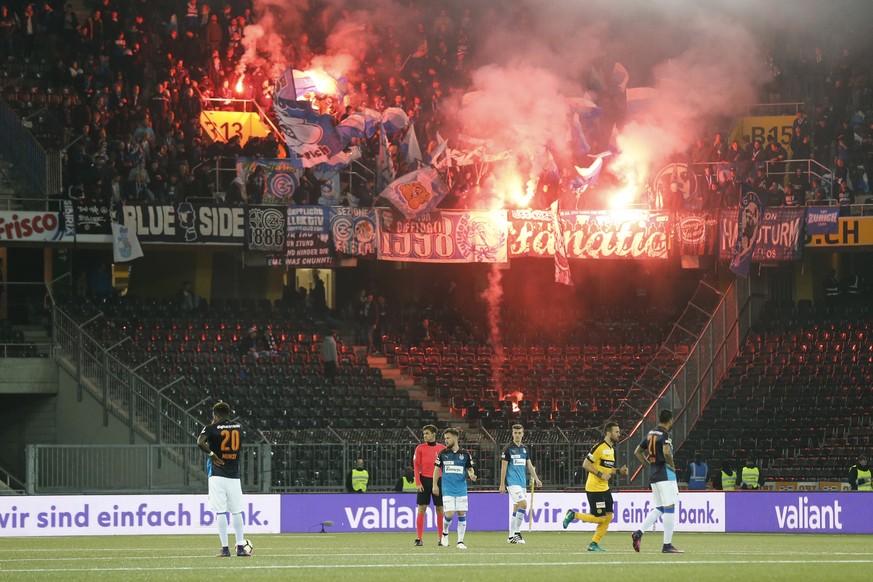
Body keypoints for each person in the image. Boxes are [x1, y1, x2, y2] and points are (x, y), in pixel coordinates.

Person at [196, 401, 251, 557]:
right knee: (237, 512)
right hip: (234, 474)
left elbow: (200, 442)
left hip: (217, 474)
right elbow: (240, 446)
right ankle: (240, 548)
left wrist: (213, 455)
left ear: (215, 415)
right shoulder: (239, 428)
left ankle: (225, 549)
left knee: (221, 512)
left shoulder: (211, 428)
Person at [562, 422, 628, 552]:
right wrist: (599, 474)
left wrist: (619, 471)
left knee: (609, 516)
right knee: (600, 518)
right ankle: (573, 515)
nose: (619, 434)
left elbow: (607, 469)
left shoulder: (611, 450)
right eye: (616, 432)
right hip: (594, 488)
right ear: (609, 433)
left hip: (605, 488)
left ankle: (593, 544)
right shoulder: (599, 447)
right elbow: (586, 464)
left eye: (619, 432)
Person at [631, 409, 683, 554]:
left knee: (660, 508)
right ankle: (667, 545)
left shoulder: (650, 433)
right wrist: (672, 465)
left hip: (654, 474)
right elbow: (666, 452)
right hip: (666, 474)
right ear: (670, 420)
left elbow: (637, 452)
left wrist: (648, 465)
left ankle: (638, 533)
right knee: (670, 507)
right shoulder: (665, 435)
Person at [433, 428, 477, 549]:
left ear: (455, 438)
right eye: (445, 438)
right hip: (447, 488)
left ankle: (460, 542)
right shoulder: (443, 454)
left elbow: (469, 468)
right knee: (450, 514)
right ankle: (445, 533)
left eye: (448, 438)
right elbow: (437, 469)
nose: (445, 440)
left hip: (461, 488)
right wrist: (434, 484)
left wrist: (471, 475)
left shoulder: (465, 454)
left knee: (461, 513)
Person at [499, 423, 542, 544]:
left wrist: (537, 479)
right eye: (515, 433)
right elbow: (503, 467)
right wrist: (502, 484)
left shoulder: (525, 449)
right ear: (512, 434)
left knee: (517, 507)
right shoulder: (508, 449)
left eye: (519, 433)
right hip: (512, 482)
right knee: (523, 504)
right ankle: (517, 532)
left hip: (522, 483)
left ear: (523, 434)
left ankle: (511, 536)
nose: (517, 435)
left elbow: (529, 465)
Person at [413, 424, 446, 546]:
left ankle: (441, 538)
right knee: (422, 508)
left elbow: (445, 466)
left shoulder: (442, 448)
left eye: (427, 433)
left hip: (439, 480)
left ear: (434, 434)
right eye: (424, 434)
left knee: (440, 508)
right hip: (424, 480)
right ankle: (419, 538)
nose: (425, 436)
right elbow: (416, 466)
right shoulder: (420, 448)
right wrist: (418, 482)